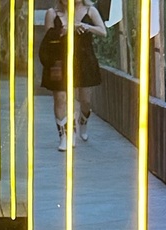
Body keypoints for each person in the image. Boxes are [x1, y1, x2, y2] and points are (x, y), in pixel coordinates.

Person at [42, 0, 107, 150]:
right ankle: (64, 135)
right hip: (59, 60)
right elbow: (47, 38)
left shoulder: (90, 10)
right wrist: (65, 30)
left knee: (85, 100)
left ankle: (83, 122)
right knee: (61, 98)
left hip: (84, 60)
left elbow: (103, 31)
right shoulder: (52, 13)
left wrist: (86, 26)